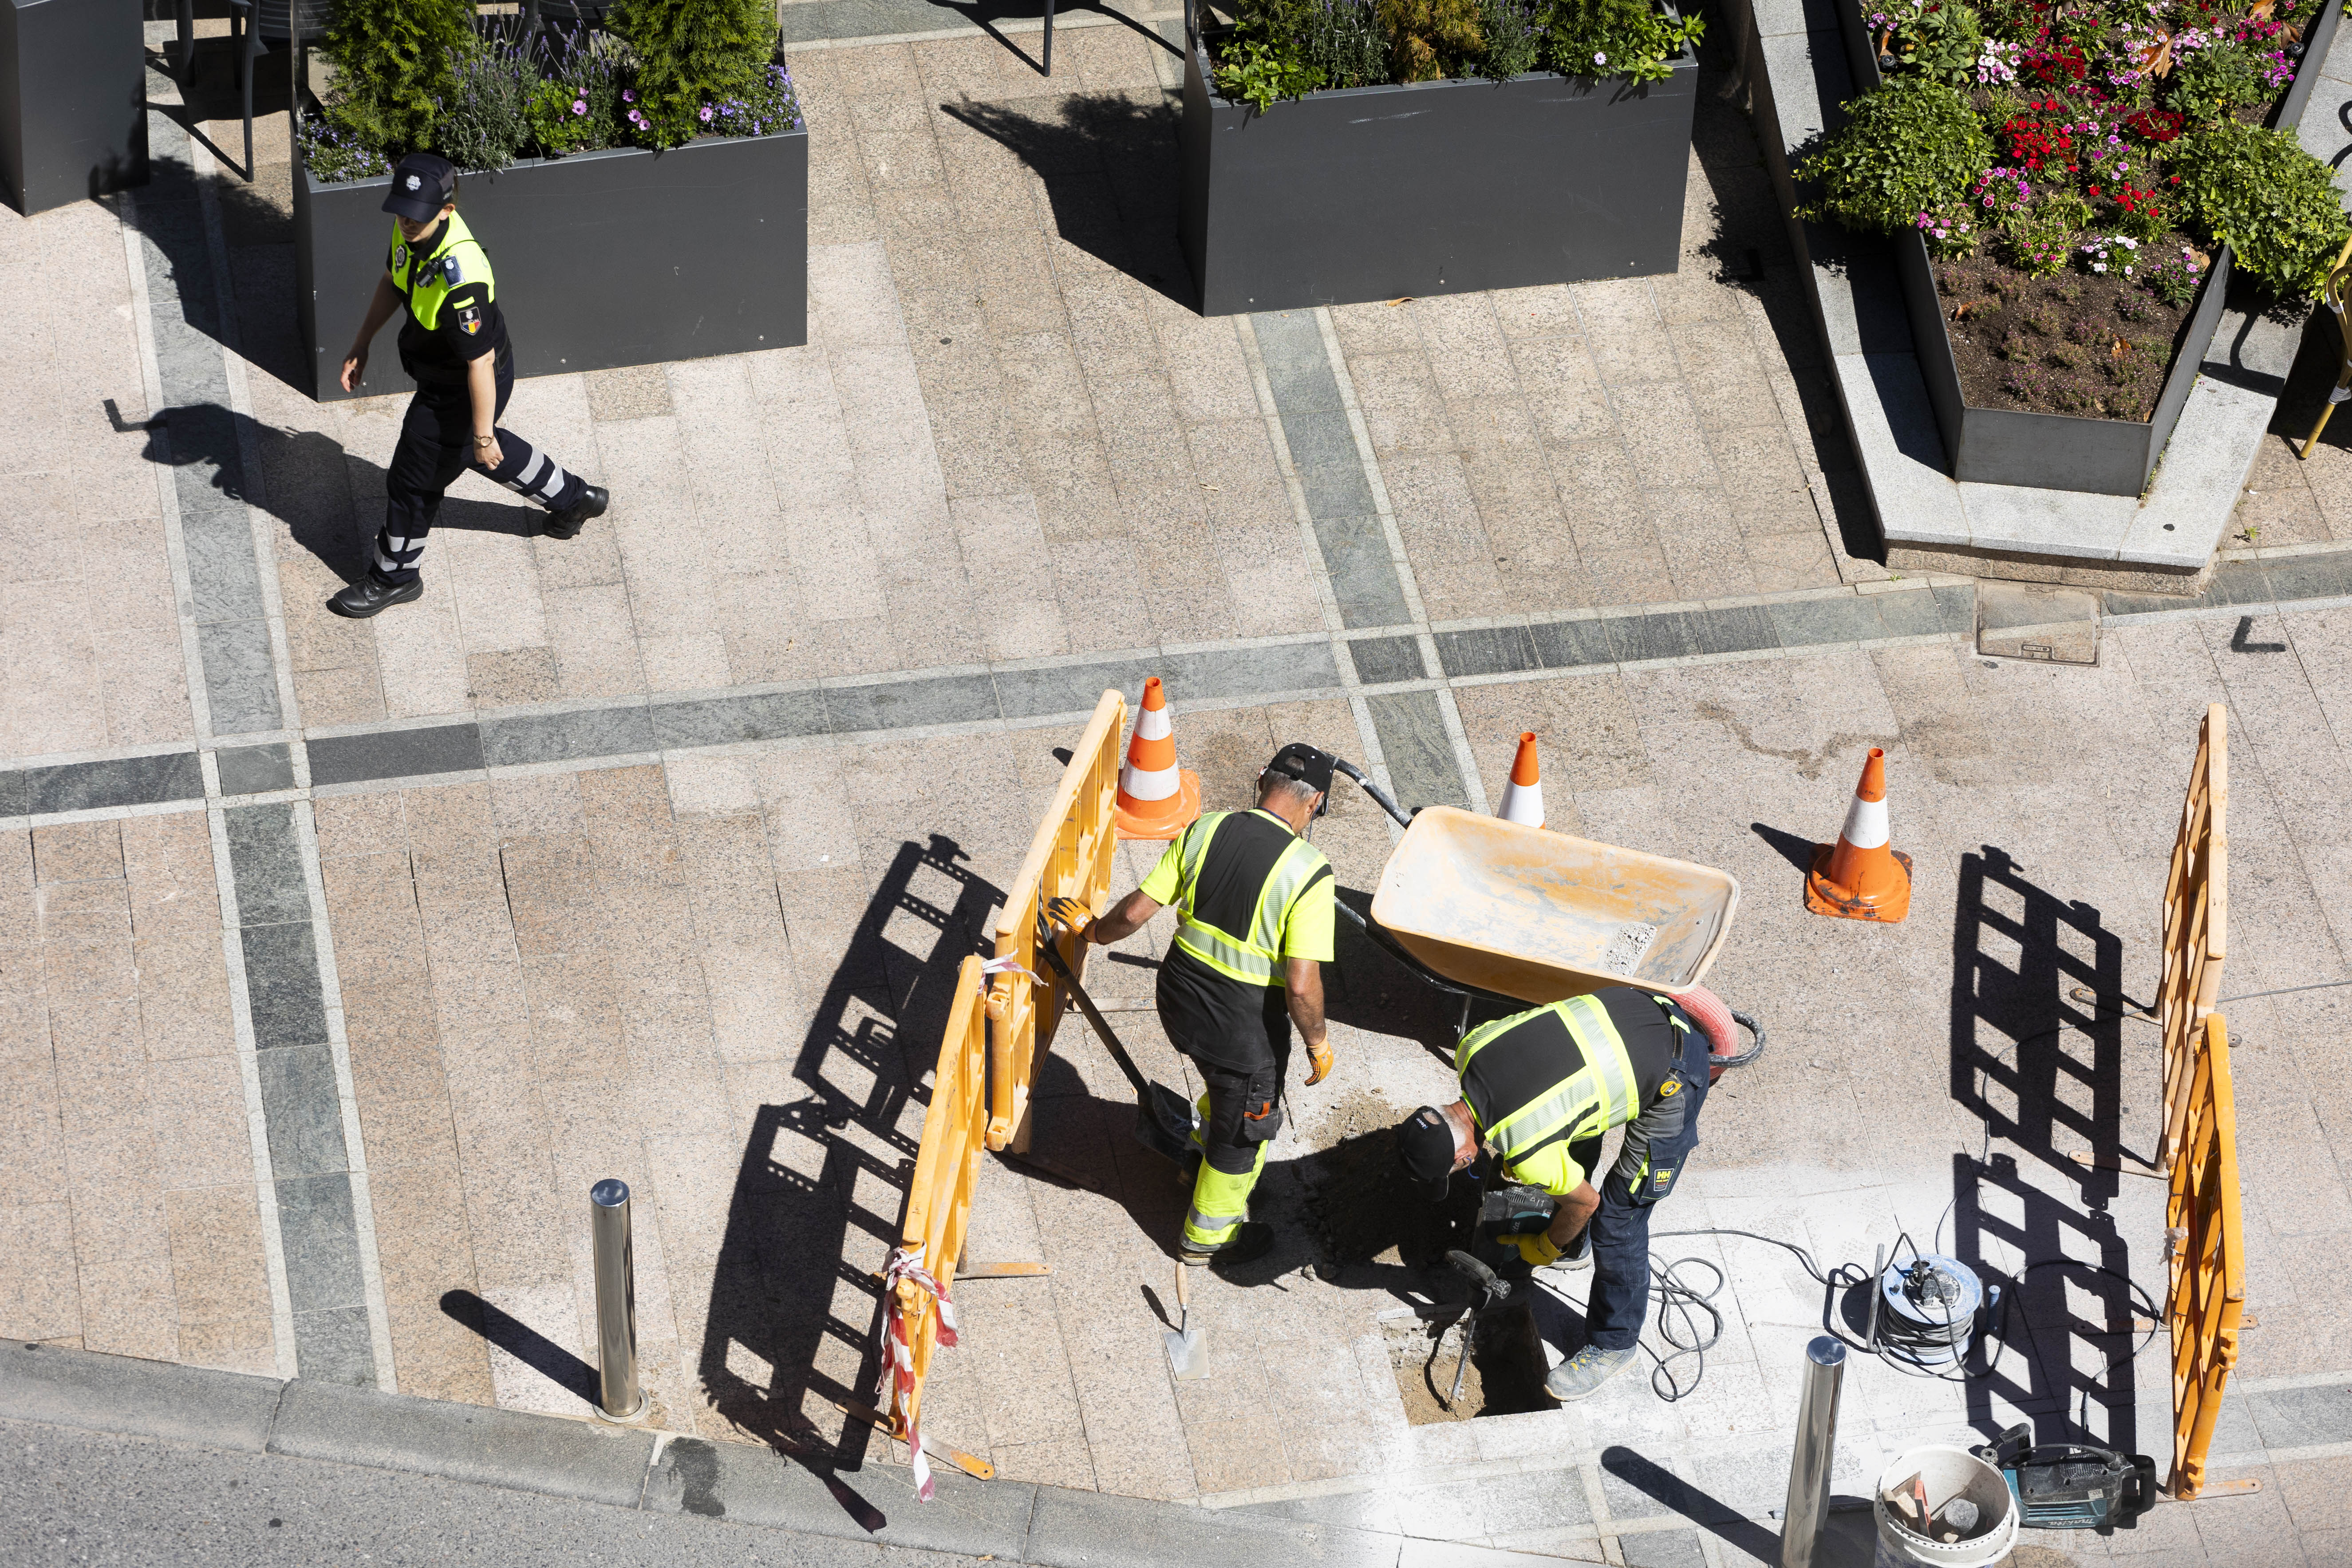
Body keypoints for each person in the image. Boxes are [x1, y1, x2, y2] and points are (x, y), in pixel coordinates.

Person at [1047, 743, 1339, 1268]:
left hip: (1178, 999)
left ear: (1261, 779)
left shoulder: (1206, 828)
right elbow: (1300, 985)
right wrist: (1317, 1041)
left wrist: (1090, 931)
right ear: (1314, 802)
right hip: (1241, 1028)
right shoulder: (1309, 872)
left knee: (1224, 1084)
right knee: (1243, 1131)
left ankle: (1199, 1150)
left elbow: (1135, 913)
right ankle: (1208, 1237)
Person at [1393, 985, 1732, 1401]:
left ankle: (1615, 1344)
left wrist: (1545, 1247)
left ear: (1464, 1157)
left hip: (1673, 1075)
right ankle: (1577, 1245)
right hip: (1634, 1009)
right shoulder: (1471, 1048)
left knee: (1618, 1217)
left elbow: (1586, 1202)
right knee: (1569, 1134)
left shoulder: (1529, 1153)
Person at [328, 152, 608, 618]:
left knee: (413, 483)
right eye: (401, 211)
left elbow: (480, 363)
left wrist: (481, 433)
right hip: (447, 377)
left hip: (464, 384)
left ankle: (394, 577)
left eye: (416, 214)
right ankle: (577, 499)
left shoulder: (463, 278)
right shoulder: (410, 229)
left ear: (446, 210)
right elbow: (394, 281)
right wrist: (362, 343)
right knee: (473, 451)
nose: (405, 222)